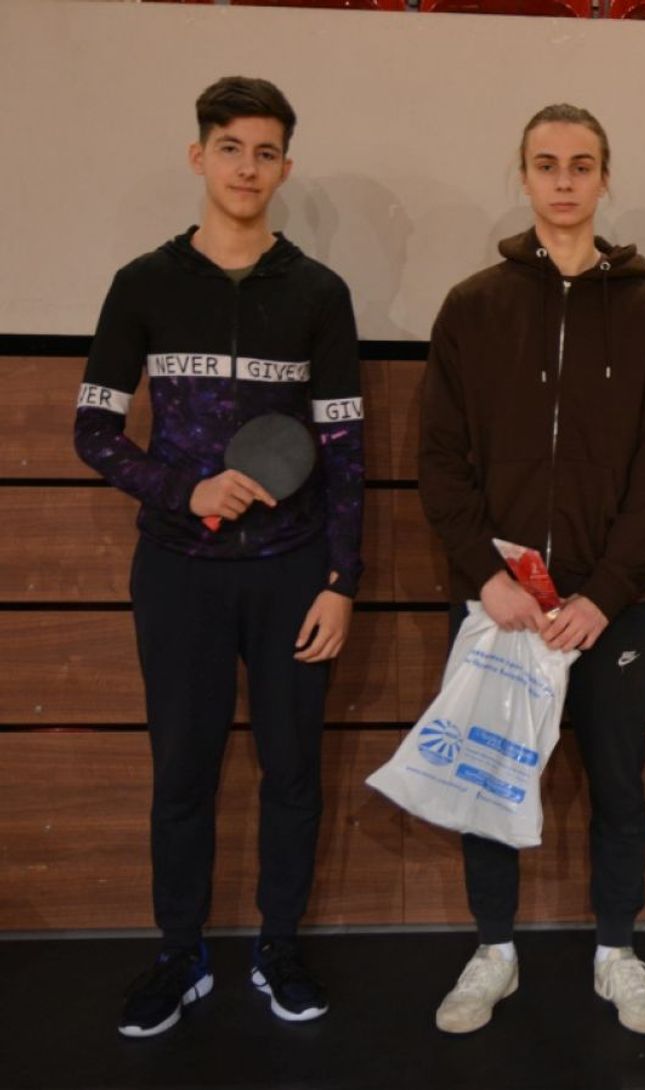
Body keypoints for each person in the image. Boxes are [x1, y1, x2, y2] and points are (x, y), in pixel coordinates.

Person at [75, 76, 363, 1038]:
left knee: (293, 774)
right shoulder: (142, 285)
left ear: (286, 167)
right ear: (199, 156)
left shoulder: (319, 293)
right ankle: (179, 955)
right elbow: (93, 431)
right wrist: (181, 489)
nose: (248, 167)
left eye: (266, 151)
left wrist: (343, 581)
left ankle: (278, 948)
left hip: (291, 573)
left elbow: (344, 448)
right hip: (179, 571)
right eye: (231, 147)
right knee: (182, 776)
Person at [419, 103, 645, 1037]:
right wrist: (485, 579)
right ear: (524, 175)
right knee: (490, 784)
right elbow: (440, 460)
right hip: (499, 605)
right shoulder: (473, 305)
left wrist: (606, 594)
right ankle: (493, 950)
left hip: (609, 610)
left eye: (581, 164)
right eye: (546, 163)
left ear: (605, 179)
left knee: (619, 786)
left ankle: (617, 951)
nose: (564, 180)